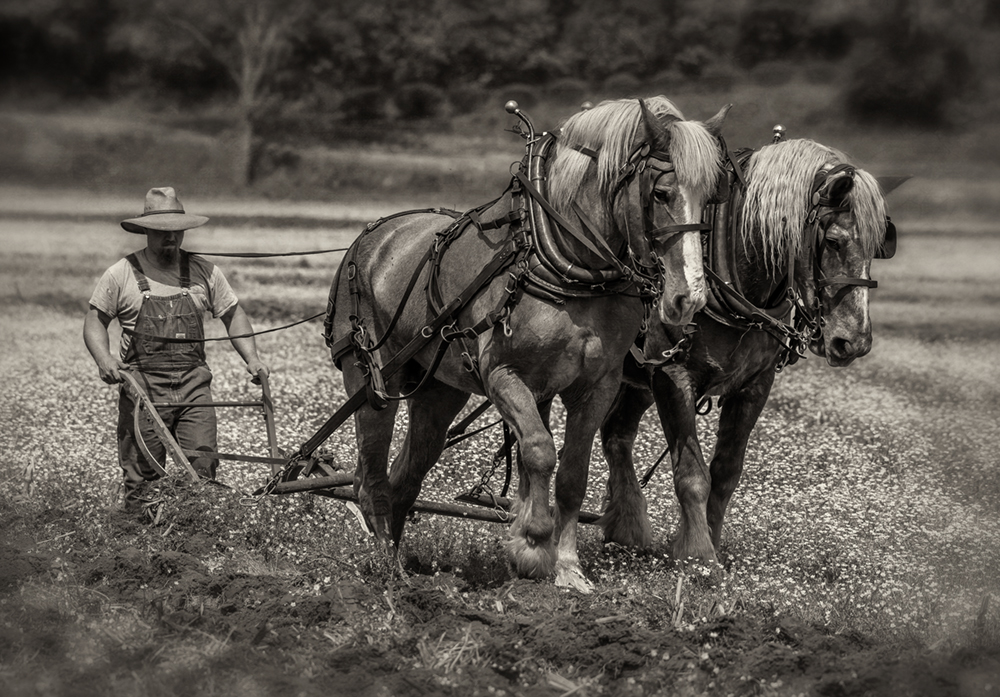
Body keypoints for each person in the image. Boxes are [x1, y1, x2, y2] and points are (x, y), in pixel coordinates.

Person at [83, 186, 270, 512]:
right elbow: (94, 321)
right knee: (142, 477)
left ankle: (195, 542)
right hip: (142, 388)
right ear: (145, 231)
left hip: (194, 387)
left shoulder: (205, 272)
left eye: (176, 232)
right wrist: (104, 359)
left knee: (202, 466)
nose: (170, 239)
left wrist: (253, 360)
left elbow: (233, 315)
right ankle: (137, 547)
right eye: (162, 233)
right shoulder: (121, 274)